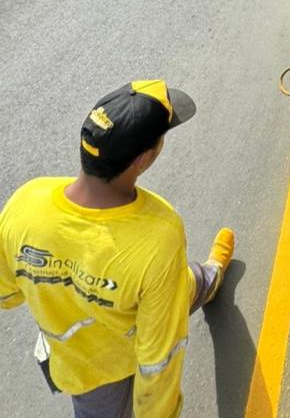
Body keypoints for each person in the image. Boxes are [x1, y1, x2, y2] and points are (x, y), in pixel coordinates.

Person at [0, 79, 234, 418]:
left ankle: (212, 275)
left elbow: (7, 295)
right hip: (106, 371)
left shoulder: (27, 200)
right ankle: (212, 275)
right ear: (143, 159)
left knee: (186, 284)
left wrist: (62, 281)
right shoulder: (158, 234)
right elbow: (159, 359)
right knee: (183, 288)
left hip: (82, 363)